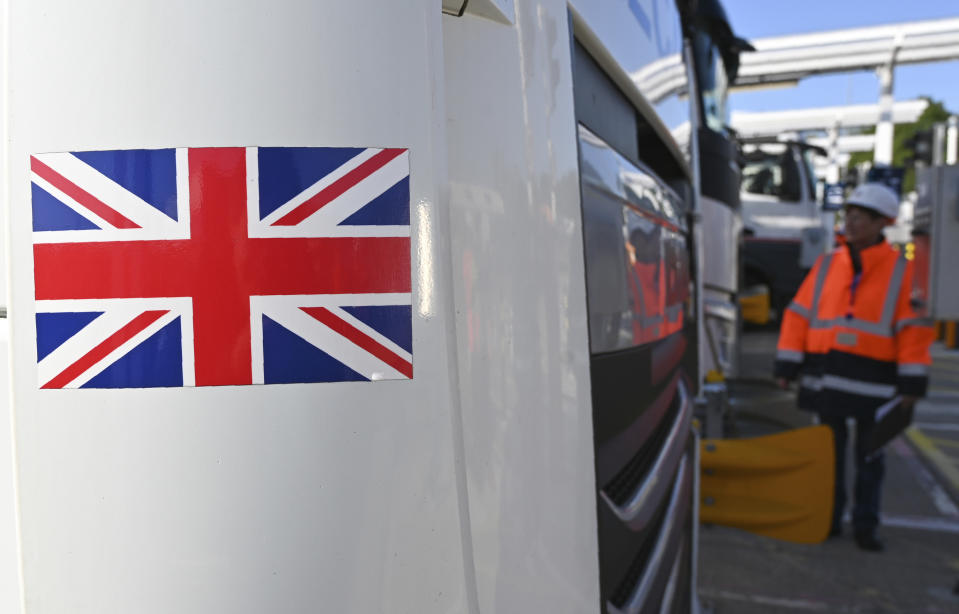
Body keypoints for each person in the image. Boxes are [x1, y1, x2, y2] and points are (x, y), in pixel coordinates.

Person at [773, 182, 935, 552]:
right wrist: (788, 363)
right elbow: (798, 315)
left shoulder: (900, 270)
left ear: (883, 222)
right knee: (828, 457)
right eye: (850, 214)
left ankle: (866, 526)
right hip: (827, 375)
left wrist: (912, 384)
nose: (852, 221)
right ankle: (828, 520)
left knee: (870, 458)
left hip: (875, 383)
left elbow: (913, 329)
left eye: (861, 216)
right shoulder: (828, 264)